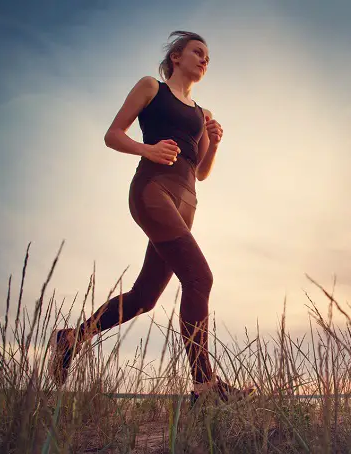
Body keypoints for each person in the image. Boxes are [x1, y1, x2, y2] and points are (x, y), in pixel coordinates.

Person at [47, 31, 254, 405]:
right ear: (176, 56)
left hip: (186, 202)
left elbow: (203, 172)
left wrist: (215, 142)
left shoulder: (201, 114)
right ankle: (205, 386)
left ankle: (72, 337)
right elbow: (113, 135)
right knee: (199, 277)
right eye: (197, 52)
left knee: (144, 298)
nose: (204, 60)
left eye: (208, 56)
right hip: (152, 190)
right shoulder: (151, 88)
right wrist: (149, 149)